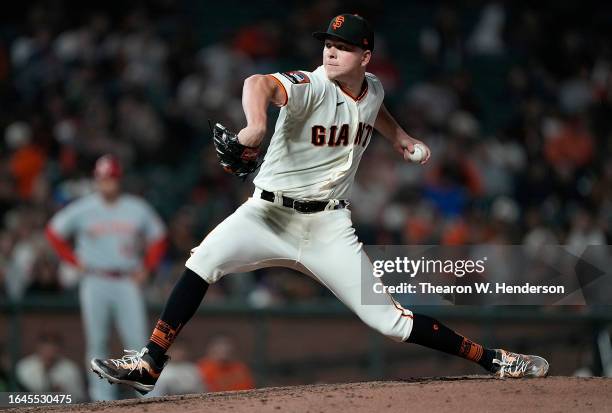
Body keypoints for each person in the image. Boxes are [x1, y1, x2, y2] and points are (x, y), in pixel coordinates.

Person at [91, 14, 549, 395]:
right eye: (329, 43)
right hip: (266, 215)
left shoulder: (373, 88)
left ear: (365, 57)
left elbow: (375, 110)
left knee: (389, 321)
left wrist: (401, 138)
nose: (331, 52)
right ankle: (151, 362)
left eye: (343, 46)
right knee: (201, 262)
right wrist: (253, 127)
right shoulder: (310, 84)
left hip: (328, 225)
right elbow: (258, 82)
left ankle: (493, 359)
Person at [46, 154, 167, 400]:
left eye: (111, 178)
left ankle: (144, 394)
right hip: (95, 280)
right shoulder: (83, 208)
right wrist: (72, 261)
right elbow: (53, 232)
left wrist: (148, 266)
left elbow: (159, 236)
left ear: (118, 180)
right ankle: (101, 398)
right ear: (96, 179)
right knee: (96, 340)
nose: (107, 183)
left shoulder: (136, 207)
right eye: (103, 179)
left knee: (136, 339)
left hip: (126, 280)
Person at [16, 333, 87, 401]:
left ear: (59, 349)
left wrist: (62, 394)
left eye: (53, 346)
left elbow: (79, 397)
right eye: (46, 346)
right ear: (39, 347)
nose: (49, 351)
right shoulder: (24, 366)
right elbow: (18, 397)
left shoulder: (71, 369)